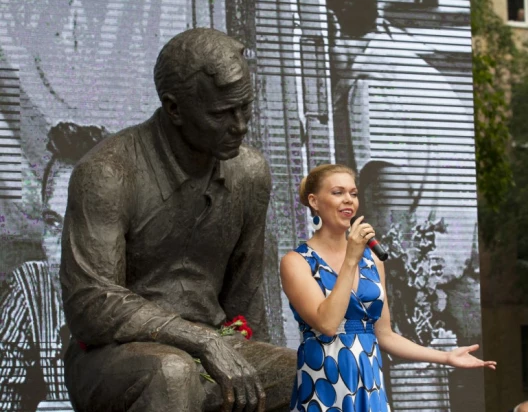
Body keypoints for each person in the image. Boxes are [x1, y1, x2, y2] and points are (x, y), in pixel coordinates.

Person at [59, 28, 295, 412]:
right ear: (174, 110)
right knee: (173, 372)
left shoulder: (251, 174)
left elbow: (245, 297)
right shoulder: (107, 173)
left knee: (314, 373)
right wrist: (201, 340)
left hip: (214, 349)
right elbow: (91, 305)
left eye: (245, 107)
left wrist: (251, 362)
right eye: (221, 114)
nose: (240, 125)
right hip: (112, 358)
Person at [280, 164, 496, 411]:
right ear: (314, 201)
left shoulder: (371, 260)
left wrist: (446, 357)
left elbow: (385, 335)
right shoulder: (296, 262)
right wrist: (350, 259)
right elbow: (327, 323)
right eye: (338, 192)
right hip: (325, 381)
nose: (348, 200)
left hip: (370, 384)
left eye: (353, 193)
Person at [0, 122, 106, 412]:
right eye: (52, 223)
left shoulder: (150, 286)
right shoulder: (30, 288)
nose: (60, 248)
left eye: (79, 225)